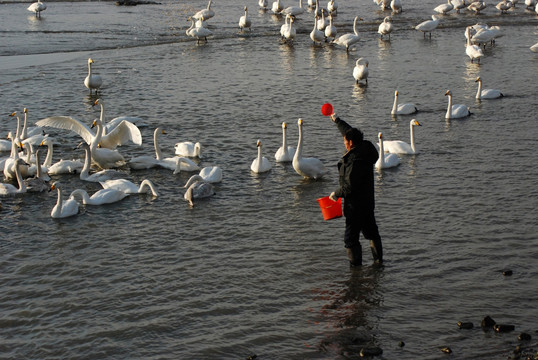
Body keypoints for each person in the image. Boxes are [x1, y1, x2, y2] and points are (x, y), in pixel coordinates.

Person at [328, 112, 383, 266]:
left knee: (350, 239)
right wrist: (337, 121)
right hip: (368, 202)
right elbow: (350, 132)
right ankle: (379, 264)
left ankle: (355, 271)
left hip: (355, 207)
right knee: (372, 232)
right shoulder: (365, 148)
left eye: (345, 141)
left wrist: (336, 194)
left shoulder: (354, 162)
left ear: (351, 143)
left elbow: (349, 187)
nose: (343, 143)